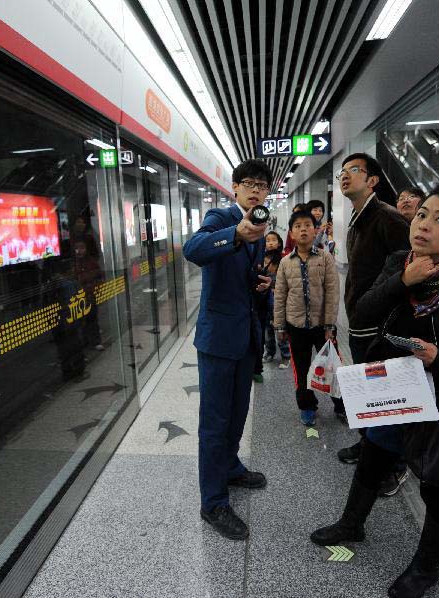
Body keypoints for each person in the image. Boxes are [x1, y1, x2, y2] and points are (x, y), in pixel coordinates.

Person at [310, 183, 439, 598]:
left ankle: (426, 568)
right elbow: (363, 311)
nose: (424, 225)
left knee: (438, 487)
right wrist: (402, 280)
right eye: (423, 215)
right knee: (373, 455)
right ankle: (352, 523)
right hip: (395, 392)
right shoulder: (400, 262)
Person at [183, 159, 272, 540]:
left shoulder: (260, 225)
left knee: (238, 414)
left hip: (245, 336)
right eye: (248, 183)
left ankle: (231, 467)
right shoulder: (220, 218)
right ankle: (213, 502)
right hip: (219, 339)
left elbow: (241, 278)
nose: (255, 190)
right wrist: (235, 234)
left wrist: (260, 283)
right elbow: (194, 249)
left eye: (262, 185)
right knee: (215, 422)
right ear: (235, 188)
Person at [335, 153, 409, 476]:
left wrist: (378, 307)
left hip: (380, 327)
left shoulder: (388, 219)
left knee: (386, 398)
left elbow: (404, 273)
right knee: (368, 393)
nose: (345, 176)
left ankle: (393, 464)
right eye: (342, 172)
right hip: (360, 324)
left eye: (353, 170)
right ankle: (369, 445)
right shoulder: (357, 220)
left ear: (372, 180)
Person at [274, 211, 339, 426]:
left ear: (315, 230)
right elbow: (280, 294)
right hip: (296, 326)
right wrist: (280, 326)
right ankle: (307, 406)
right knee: (301, 370)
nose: (303, 229)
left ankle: (341, 406)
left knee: (331, 368)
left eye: (307, 225)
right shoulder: (285, 262)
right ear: (291, 233)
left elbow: (332, 292)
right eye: (298, 226)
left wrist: (330, 324)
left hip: (322, 326)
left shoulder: (325, 257)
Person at [260, 231, 291, 368]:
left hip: (278, 298)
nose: (271, 242)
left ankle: (285, 356)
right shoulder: (261, 258)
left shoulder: (284, 259)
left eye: (274, 240)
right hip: (264, 298)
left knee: (279, 326)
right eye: (268, 240)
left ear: (279, 243)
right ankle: (270, 352)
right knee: (267, 327)